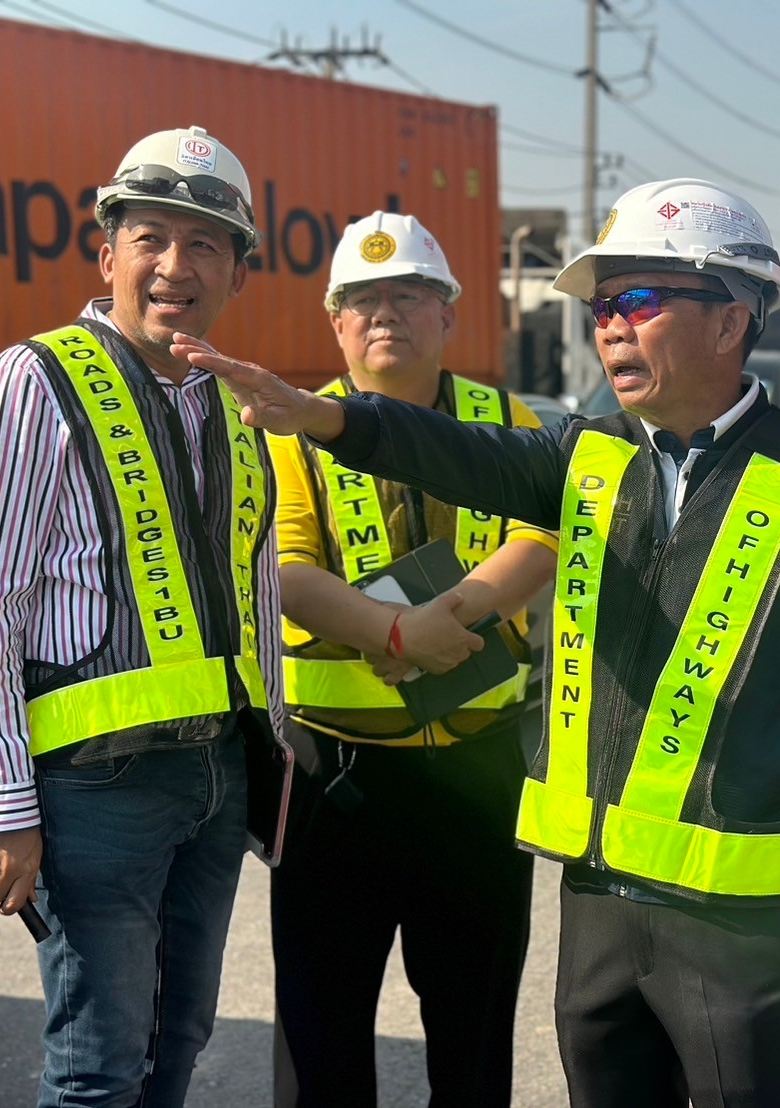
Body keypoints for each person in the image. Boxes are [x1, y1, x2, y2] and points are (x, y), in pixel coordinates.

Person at [176, 177, 780, 1107]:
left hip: (739, 924)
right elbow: (450, 450)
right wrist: (322, 415)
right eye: (601, 309)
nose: (610, 329)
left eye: (637, 301)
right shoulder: (586, 454)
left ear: (731, 321)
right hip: (597, 916)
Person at [0, 126, 288, 1108]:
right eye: (150, 238)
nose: (176, 265)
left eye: (205, 244)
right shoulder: (32, 382)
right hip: (95, 787)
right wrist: (0, 801)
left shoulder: (232, 403)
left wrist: (270, 756)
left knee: (177, 1042)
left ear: (237, 274)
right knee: (96, 1066)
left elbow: (256, 590)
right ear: (107, 256)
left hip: (215, 776)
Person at [266, 211, 556, 1107]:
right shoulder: (290, 430)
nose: (383, 313)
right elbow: (283, 569)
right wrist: (395, 635)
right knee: (321, 1037)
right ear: (335, 322)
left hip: (477, 769)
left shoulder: (505, 419)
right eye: (362, 300)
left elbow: (541, 535)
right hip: (334, 778)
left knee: (474, 1036)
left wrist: (448, 619)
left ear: (448, 315)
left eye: (407, 295)